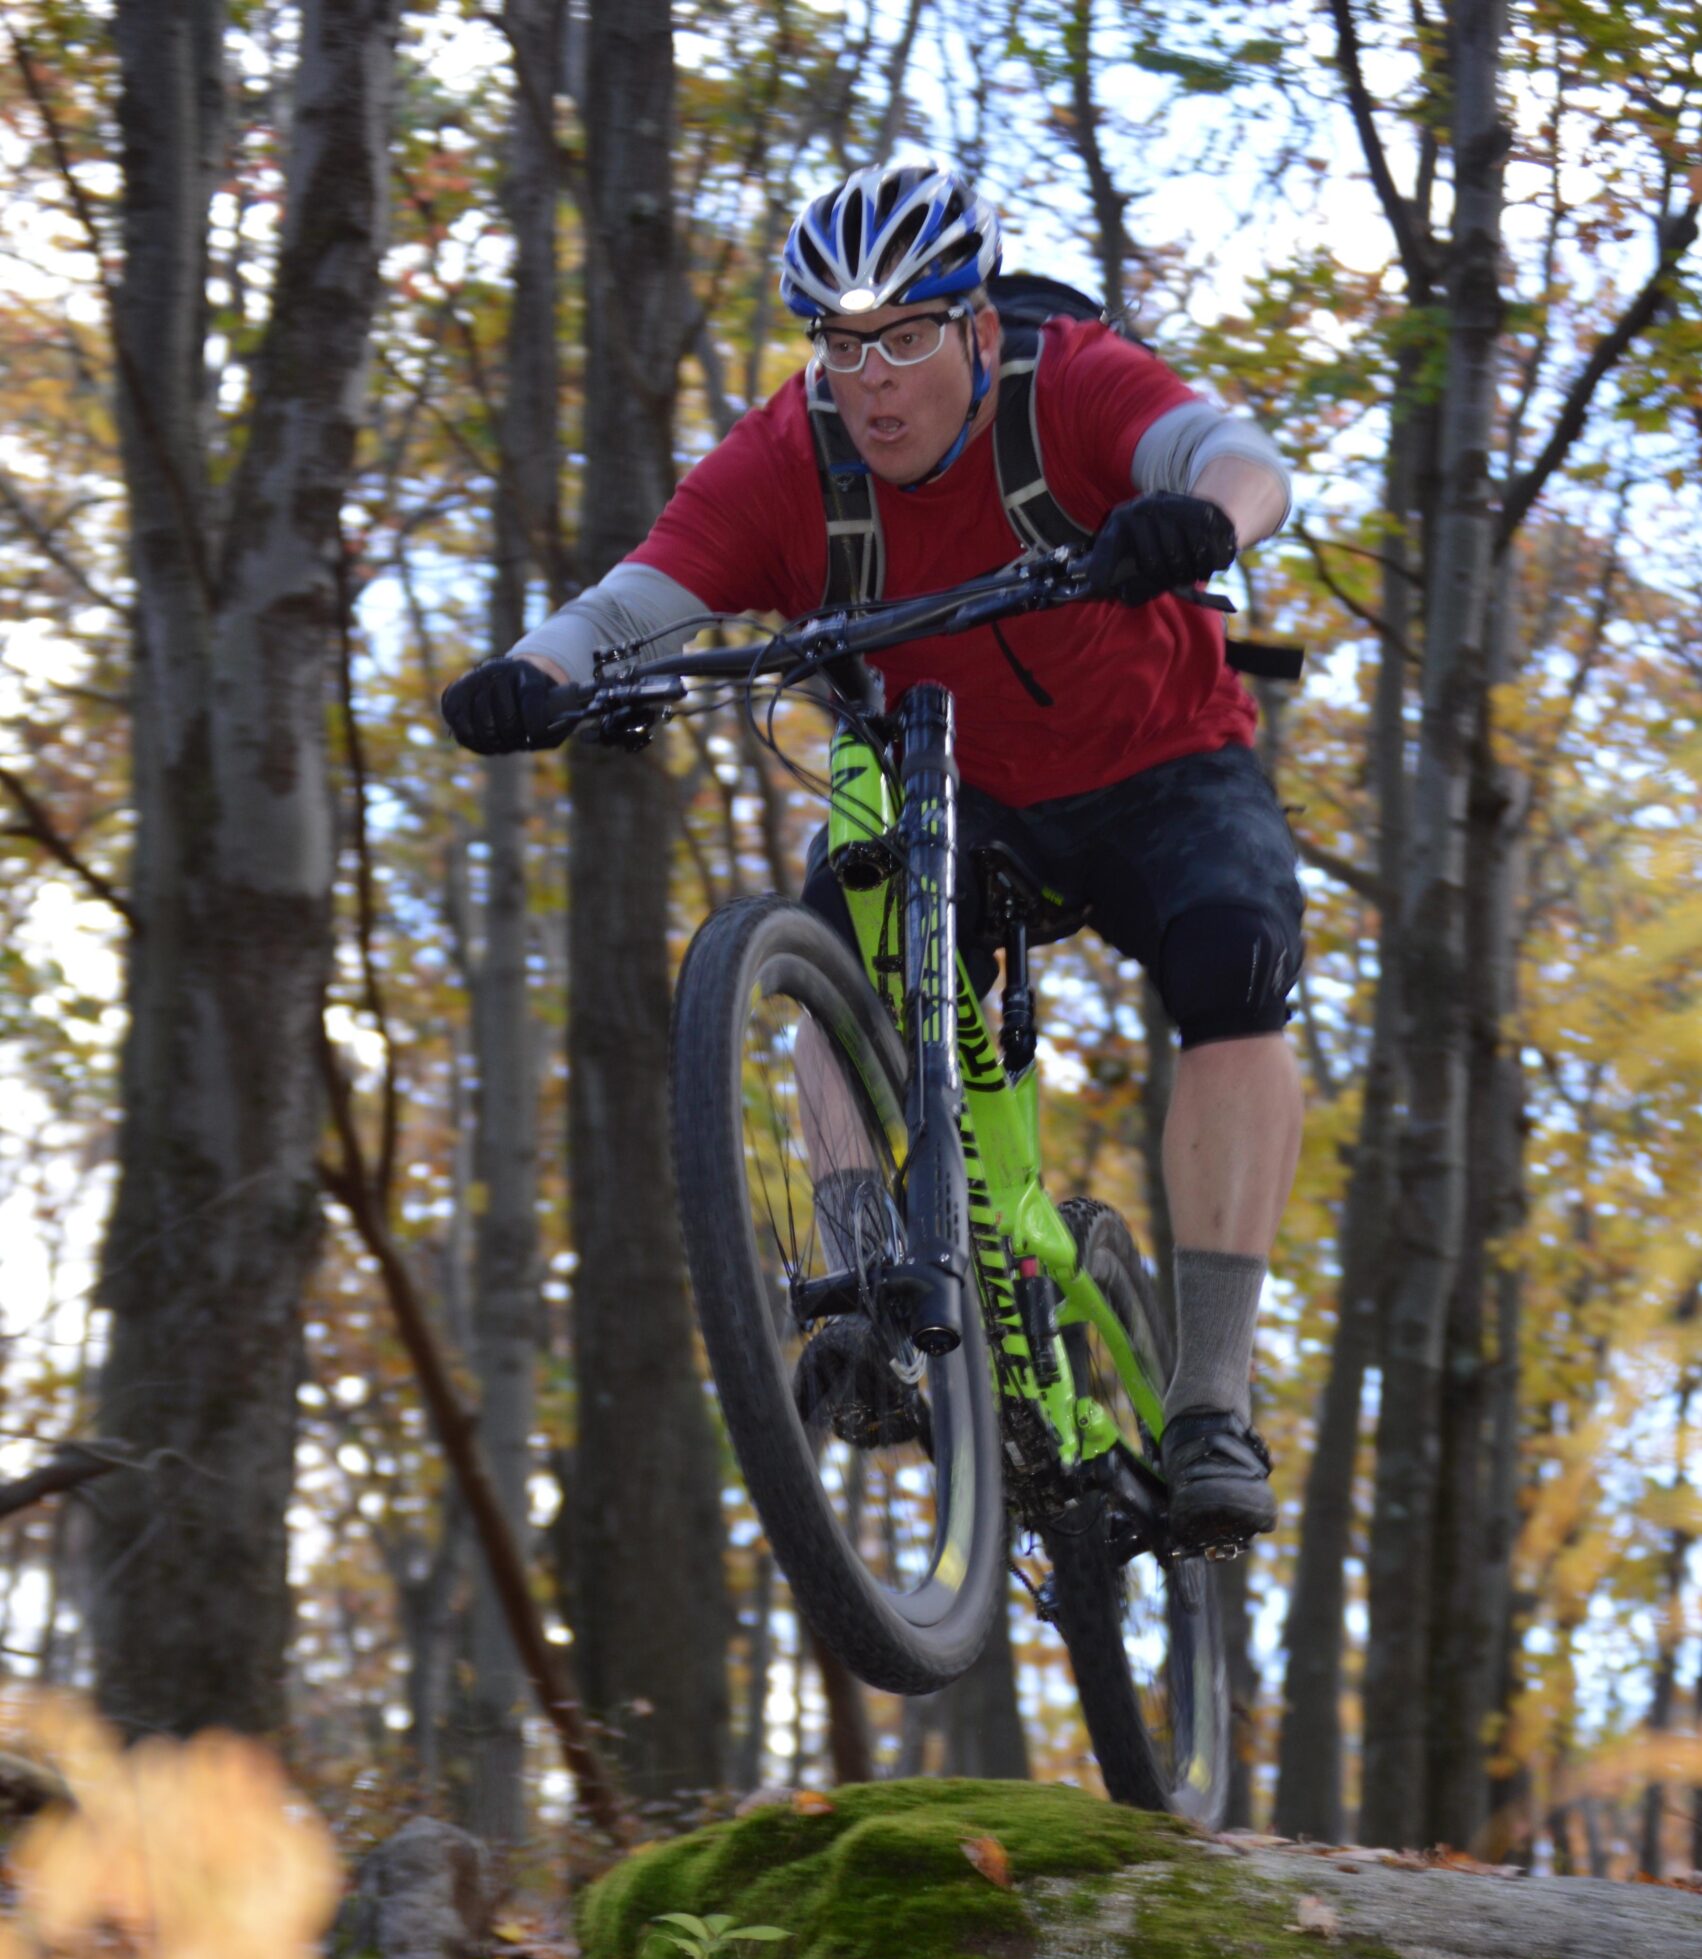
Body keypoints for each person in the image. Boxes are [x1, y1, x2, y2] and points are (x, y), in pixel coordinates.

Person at [442, 158, 1304, 1551]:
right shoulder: (789, 458)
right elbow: (631, 602)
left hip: (1160, 759)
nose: (873, 378)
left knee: (1232, 962)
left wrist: (1203, 519)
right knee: (832, 960)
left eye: (906, 337)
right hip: (952, 785)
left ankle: (1207, 1398)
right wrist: (531, 677)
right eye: (842, 346)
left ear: (974, 327)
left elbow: (1238, 458)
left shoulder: (1067, 381)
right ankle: (864, 1302)